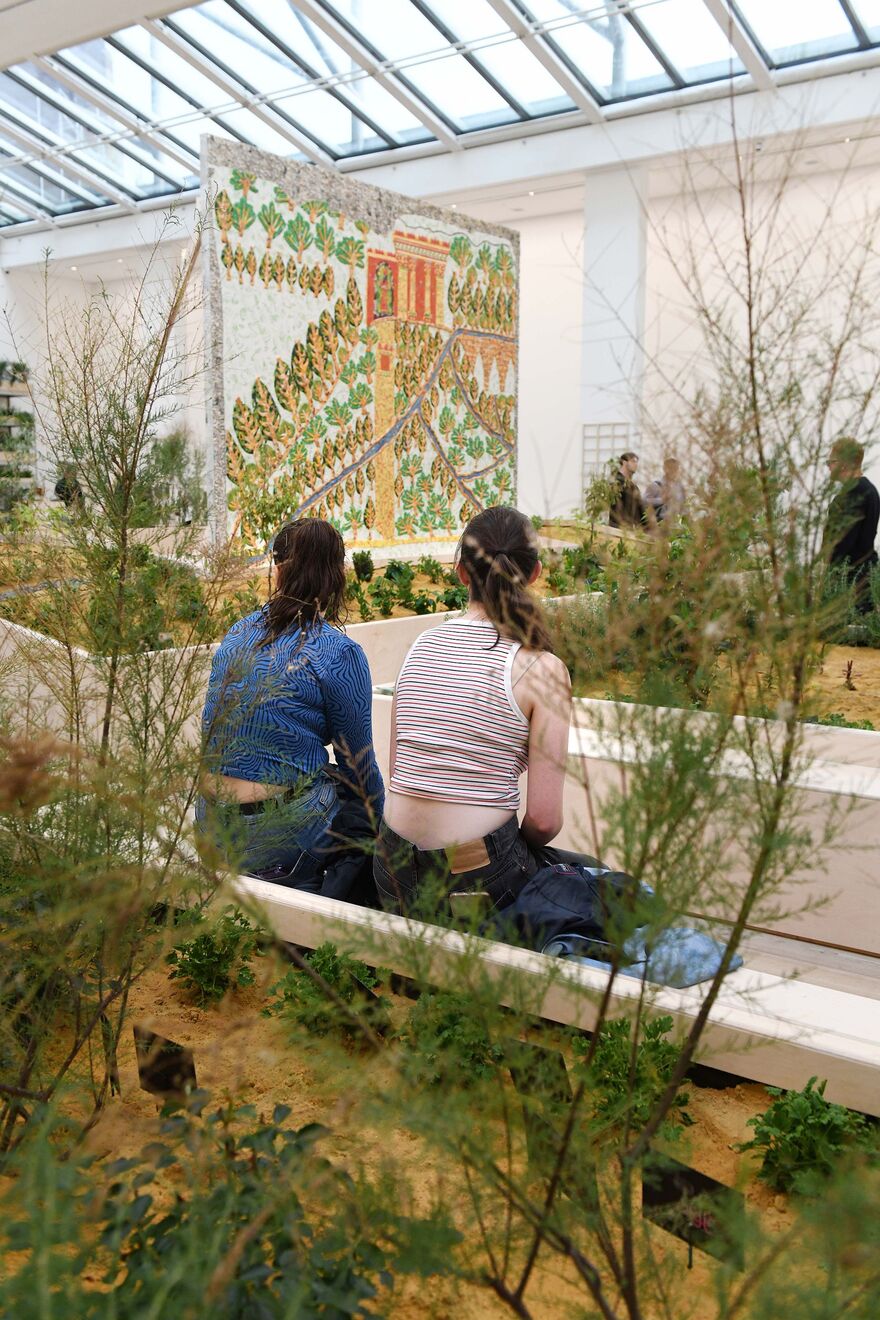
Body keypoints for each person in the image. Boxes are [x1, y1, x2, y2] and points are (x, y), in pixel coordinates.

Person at [374, 506, 574, 916]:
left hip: (391, 876)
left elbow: (402, 775)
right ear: (535, 573)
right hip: (475, 881)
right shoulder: (542, 668)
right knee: (590, 883)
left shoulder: (420, 648)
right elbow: (543, 820)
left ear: (461, 571)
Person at [198, 518, 383, 883]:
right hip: (275, 834)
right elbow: (358, 766)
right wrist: (385, 838)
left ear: (277, 569)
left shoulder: (238, 632)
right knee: (360, 813)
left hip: (211, 826)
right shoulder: (337, 653)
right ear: (338, 573)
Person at [824, 437, 879, 614]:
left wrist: (829, 578)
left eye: (831, 462)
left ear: (844, 464)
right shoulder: (870, 490)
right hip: (866, 576)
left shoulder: (852, 494)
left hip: (849, 583)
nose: (828, 467)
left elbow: (842, 544)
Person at [644, 456, 686, 525]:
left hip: (675, 528)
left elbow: (684, 508)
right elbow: (643, 502)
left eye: (676, 469)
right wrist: (661, 500)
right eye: (671, 468)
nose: (675, 471)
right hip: (657, 527)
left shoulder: (680, 488)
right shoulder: (655, 485)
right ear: (665, 469)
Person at [609, 451, 646, 529]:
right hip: (617, 527)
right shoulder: (616, 481)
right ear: (624, 462)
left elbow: (640, 509)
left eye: (636, 462)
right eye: (633, 461)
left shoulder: (634, 486)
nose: (636, 465)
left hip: (630, 529)